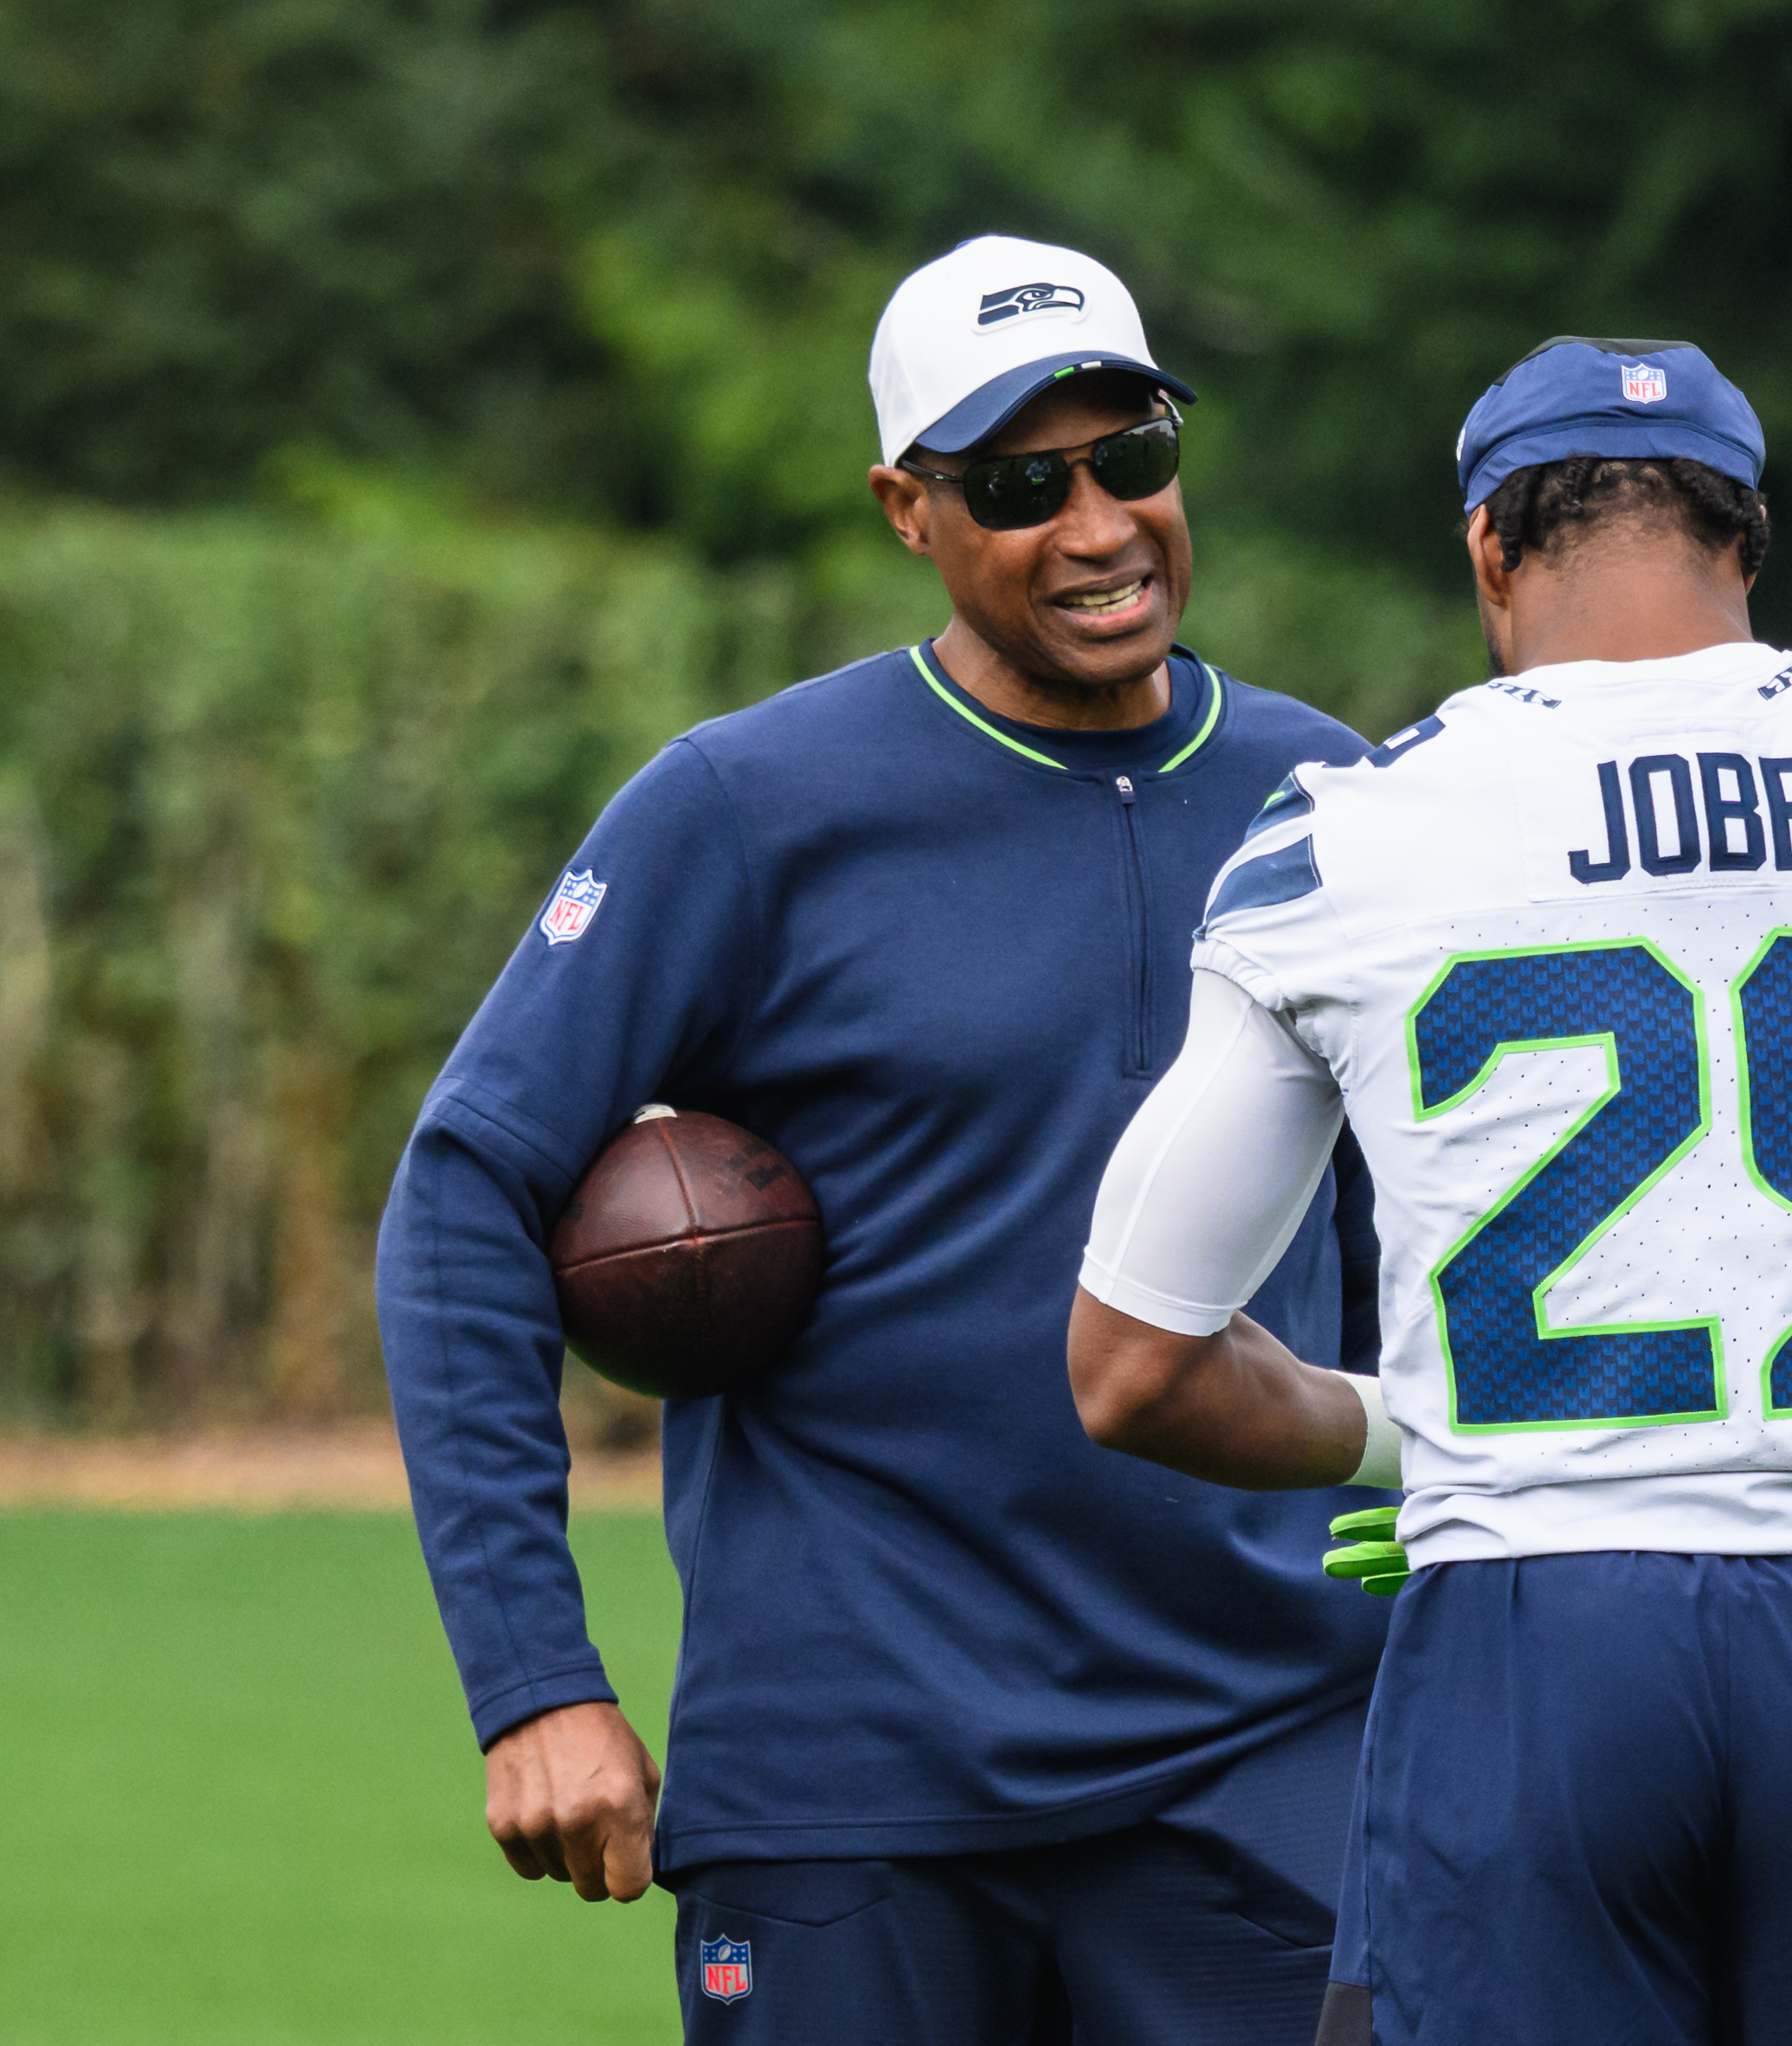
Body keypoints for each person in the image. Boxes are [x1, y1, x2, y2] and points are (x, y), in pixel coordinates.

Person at [1064, 335, 1792, 2046]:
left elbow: (1131, 1362)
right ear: (1748, 537)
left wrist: (1410, 1443)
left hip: (1529, 1624)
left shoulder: (1351, 837)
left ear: (1490, 548)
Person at [376, 236, 1397, 2045]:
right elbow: (469, 1190)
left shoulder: (1339, 804)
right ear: (906, 509)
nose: (1097, 525)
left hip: (1266, 1758)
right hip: (852, 1777)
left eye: (1133, 457)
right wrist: (535, 1680)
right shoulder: (745, 809)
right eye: (1020, 481)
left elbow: (1435, 1247)